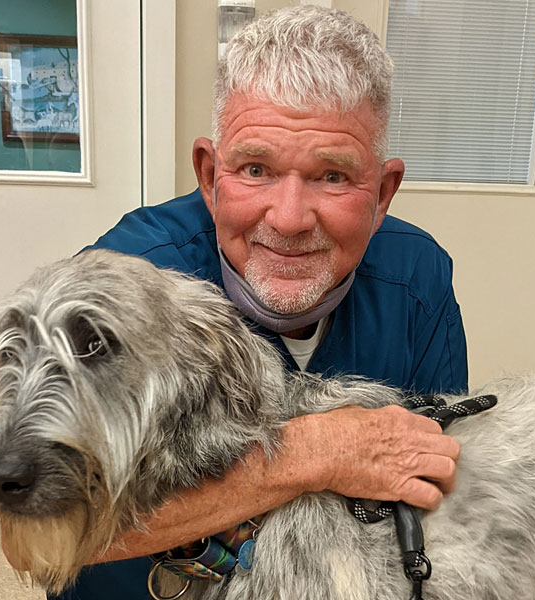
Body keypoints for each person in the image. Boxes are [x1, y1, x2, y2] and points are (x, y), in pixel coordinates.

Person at [49, 6, 467, 599]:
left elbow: (435, 475)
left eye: (333, 176)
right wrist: (317, 452)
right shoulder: (123, 281)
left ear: (382, 193)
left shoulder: (418, 278)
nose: (290, 218)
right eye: (255, 168)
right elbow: (43, 521)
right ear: (210, 175)